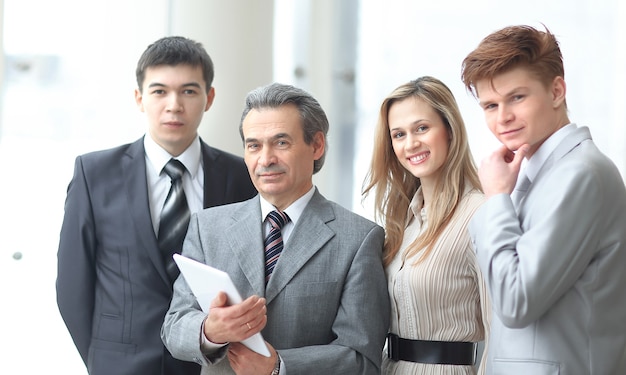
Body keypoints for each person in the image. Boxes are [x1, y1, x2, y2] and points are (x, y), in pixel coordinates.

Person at [56, 36, 257, 375]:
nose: (174, 105)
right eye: (160, 91)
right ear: (140, 98)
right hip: (119, 365)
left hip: (211, 364)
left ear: (209, 98)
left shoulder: (241, 177)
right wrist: (99, 361)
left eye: (189, 91)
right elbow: (72, 286)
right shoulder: (94, 174)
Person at [161, 82, 390, 374]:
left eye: (281, 143)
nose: (265, 159)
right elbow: (174, 326)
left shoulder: (358, 238)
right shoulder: (207, 228)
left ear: (316, 145)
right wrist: (210, 331)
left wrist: (280, 366)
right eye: (253, 145)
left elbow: (362, 359)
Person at [461, 24, 626, 374]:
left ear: (556, 91)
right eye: (490, 105)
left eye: (517, 97)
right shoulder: (533, 174)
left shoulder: (580, 174)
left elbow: (515, 301)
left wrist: (496, 200)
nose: (502, 117)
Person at [362, 76, 491, 374]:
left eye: (422, 128)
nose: (411, 143)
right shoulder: (401, 221)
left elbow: (501, 333)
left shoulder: (481, 214)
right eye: (398, 134)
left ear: (449, 130)